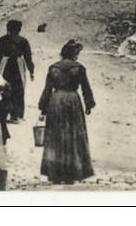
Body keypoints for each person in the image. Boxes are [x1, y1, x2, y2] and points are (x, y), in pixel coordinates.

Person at [38, 40, 95, 185]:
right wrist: (89, 104)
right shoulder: (79, 68)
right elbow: (85, 88)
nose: (77, 56)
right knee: (73, 134)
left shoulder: (53, 68)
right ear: (74, 54)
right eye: (77, 53)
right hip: (72, 101)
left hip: (56, 101)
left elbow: (47, 90)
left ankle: (55, 173)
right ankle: (72, 172)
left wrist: (43, 108)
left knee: (56, 135)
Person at [0, 20, 35, 122]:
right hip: (17, 67)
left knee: (4, 88)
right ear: (19, 29)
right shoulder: (23, 41)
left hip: (6, 66)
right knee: (18, 90)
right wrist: (31, 71)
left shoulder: (3, 40)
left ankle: (3, 113)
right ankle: (17, 114)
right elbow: (28, 58)